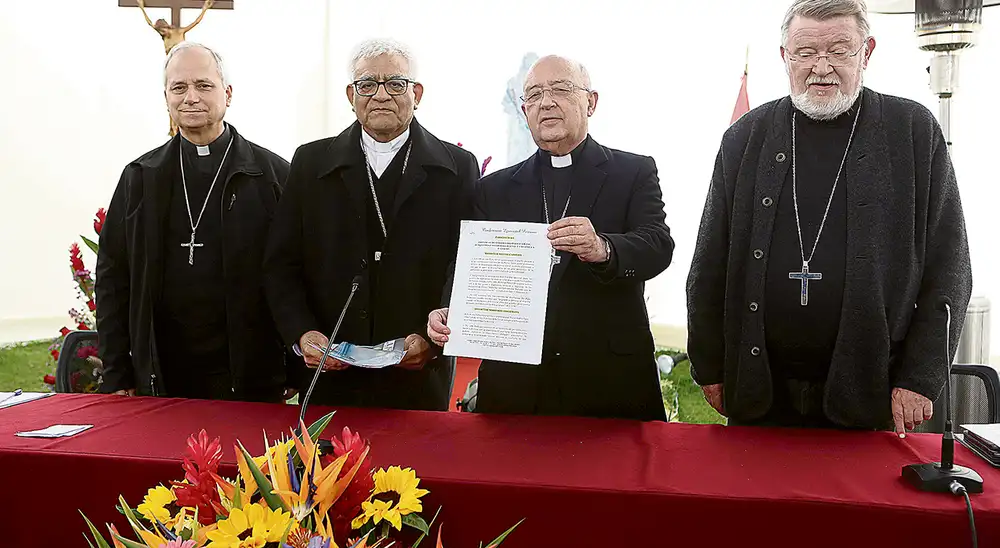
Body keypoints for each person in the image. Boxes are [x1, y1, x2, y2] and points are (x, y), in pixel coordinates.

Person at [686, 0, 972, 434]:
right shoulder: (746, 137)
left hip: (872, 392)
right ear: (785, 57)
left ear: (867, 52)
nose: (822, 67)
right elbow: (709, 261)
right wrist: (709, 364)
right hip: (760, 391)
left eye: (839, 51)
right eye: (806, 52)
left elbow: (950, 269)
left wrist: (919, 378)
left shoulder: (912, 132)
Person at [427, 55, 674, 421]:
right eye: (534, 94)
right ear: (524, 111)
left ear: (591, 102)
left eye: (561, 89)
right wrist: (452, 309)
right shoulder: (494, 188)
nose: (547, 102)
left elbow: (658, 246)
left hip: (608, 381)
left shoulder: (632, 171)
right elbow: (469, 267)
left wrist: (602, 248)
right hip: (516, 385)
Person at [264, 38, 479, 411]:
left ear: (417, 92)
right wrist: (301, 334)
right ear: (351, 94)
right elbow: (281, 263)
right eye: (367, 85)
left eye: (395, 84)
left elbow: (466, 264)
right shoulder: (311, 163)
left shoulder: (457, 168)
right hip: (329, 371)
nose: (381, 95)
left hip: (418, 370)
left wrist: (434, 339)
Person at [96, 42, 291, 402]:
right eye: (179, 87)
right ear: (166, 97)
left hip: (248, 371)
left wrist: (296, 368)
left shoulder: (271, 175)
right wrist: (116, 370)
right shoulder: (141, 177)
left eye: (204, 86)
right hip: (163, 371)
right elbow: (113, 278)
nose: (191, 98)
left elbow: (296, 274)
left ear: (227, 93)